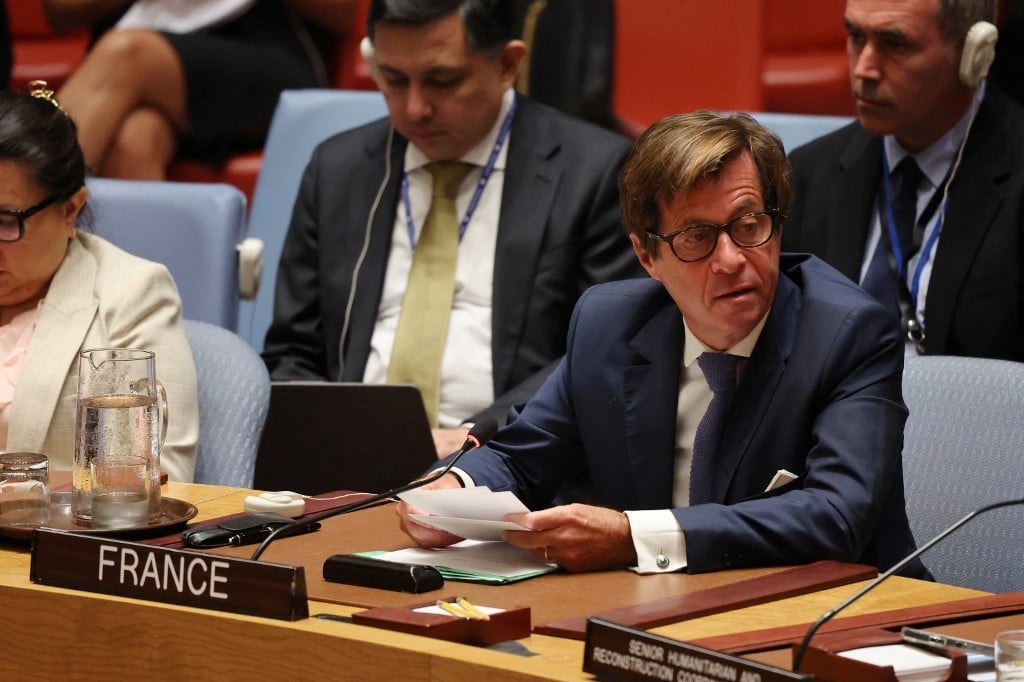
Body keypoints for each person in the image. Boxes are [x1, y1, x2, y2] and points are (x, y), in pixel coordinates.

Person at [397, 111, 925, 578]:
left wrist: (634, 537)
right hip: (657, 609)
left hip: (841, 616)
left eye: (748, 226)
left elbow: (837, 516)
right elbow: (521, 459)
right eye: (696, 237)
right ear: (647, 256)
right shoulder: (610, 324)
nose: (731, 259)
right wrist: (452, 490)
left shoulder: (847, 334)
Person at [262, 0, 642, 456]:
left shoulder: (594, 172)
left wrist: (481, 435)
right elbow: (292, 352)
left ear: (507, 65)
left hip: (514, 459)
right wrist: (335, 440)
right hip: (349, 461)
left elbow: (602, 351)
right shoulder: (337, 169)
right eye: (393, 80)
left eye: (442, 81)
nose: (415, 108)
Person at [783, 0, 1024, 361]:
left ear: (973, 52)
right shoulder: (808, 173)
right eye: (856, 36)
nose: (863, 69)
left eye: (894, 44)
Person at [0, 83, 198, 480]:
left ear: (70, 210)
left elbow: (162, 478)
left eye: (6, 221)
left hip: (48, 521)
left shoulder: (134, 294)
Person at [43, 0, 354, 179]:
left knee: (125, 55)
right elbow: (62, 11)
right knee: (134, 141)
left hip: (266, 59)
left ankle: (23, 213)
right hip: (135, 68)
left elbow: (342, 12)